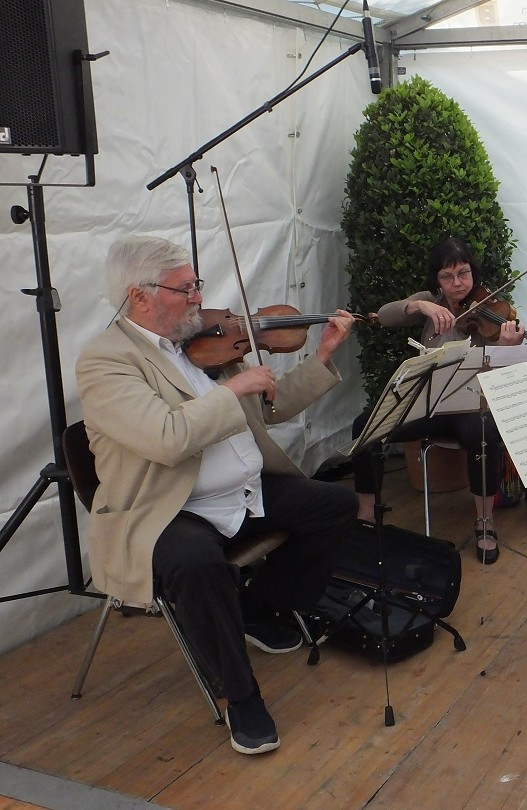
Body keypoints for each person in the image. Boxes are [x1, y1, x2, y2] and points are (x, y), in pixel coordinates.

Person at [75, 235, 358, 756]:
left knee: (336, 505)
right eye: (185, 289)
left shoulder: (204, 342)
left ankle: (256, 607)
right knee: (198, 566)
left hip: (244, 492)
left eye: (196, 284)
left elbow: (271, 407)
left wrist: (321, 355)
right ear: (140, 296)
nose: (199, 298)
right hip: (169, 506)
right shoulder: (106, 361)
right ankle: (241, 697)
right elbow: (166, 437)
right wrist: (233, 389)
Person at [352, 237, 527, 564]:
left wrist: (507, 346)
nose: (458, 284)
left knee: (483, 431)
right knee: (366, 425)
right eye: (447, 277)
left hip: (468, 406)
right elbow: (385, 316)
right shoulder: (427, 302)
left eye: (464, 274)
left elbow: (504, 373)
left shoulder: (490, 309)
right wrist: (420, 306)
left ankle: (485, 522)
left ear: (473, 273)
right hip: (427, 402)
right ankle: (365, 513)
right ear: (436, 280)